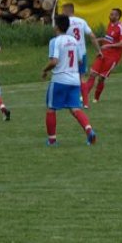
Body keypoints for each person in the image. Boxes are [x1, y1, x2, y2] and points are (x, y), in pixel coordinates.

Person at [42, 14, 97, 146]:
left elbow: (54, 61)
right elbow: (79, 60)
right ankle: (89, 130)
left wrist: (44, 70)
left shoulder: (55, 41)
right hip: (74, 80)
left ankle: (52, 140)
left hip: (60, 79)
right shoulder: (74, 40)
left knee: (51, 108)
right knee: (75, 108)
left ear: (56, 26)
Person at [81, 8, 122, 105]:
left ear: (118, 16)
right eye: (110, 14)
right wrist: (99, 39)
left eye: (113, 15)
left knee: (101, 78)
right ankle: (83, 98)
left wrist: (108, 45)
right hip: (103, 53)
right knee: (92, 74)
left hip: (113, 57)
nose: (111, 16)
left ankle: (96, 98)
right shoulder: (110, 24)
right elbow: (109, 38)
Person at [61, 3, 103, 107]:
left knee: (67, 76)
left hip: (69, 53)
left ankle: (69, 100)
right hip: (82, 52)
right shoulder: (81, 21)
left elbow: (61, 37)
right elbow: (92, 36)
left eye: (63, 11)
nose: (62, 13)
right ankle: (85, 103)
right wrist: (98, 50)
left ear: (67, 11)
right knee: (82, 77)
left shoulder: (64, 22)